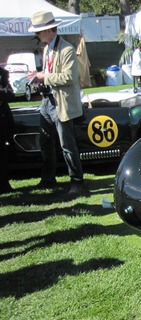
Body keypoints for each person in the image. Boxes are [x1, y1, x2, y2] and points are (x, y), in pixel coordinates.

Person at [27, 11, 86, 195]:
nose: (36, 36)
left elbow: (69, 77)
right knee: (46, 141)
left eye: (38, 32)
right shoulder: (47, 49)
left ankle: (77, 181)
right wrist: (38, 78)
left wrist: (44, 77)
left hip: (61, 104)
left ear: (48, 30)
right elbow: (50, 73)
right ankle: (48, 179)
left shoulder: (67, 49)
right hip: (47, 102)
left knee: (67, 145)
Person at [0, 66, 15, 194]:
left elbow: (11, 94)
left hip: (3, 116)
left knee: (3, 151)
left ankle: (4, 183)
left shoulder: (3, 73)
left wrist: (3, 92)